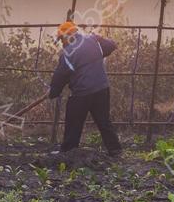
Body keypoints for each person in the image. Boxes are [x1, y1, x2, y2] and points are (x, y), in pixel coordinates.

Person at [47, 21, 122, 156]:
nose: (62, 42)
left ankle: (68, 150)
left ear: (68, 36)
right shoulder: (92, 40)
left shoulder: (68, 53)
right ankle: (115, 149)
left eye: (62, 39)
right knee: (104, 121)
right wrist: (98, 40)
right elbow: (111, 45)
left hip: (82, 92)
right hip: (102, 88)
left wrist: (53, 91)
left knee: (73, 121)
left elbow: (61, 75)